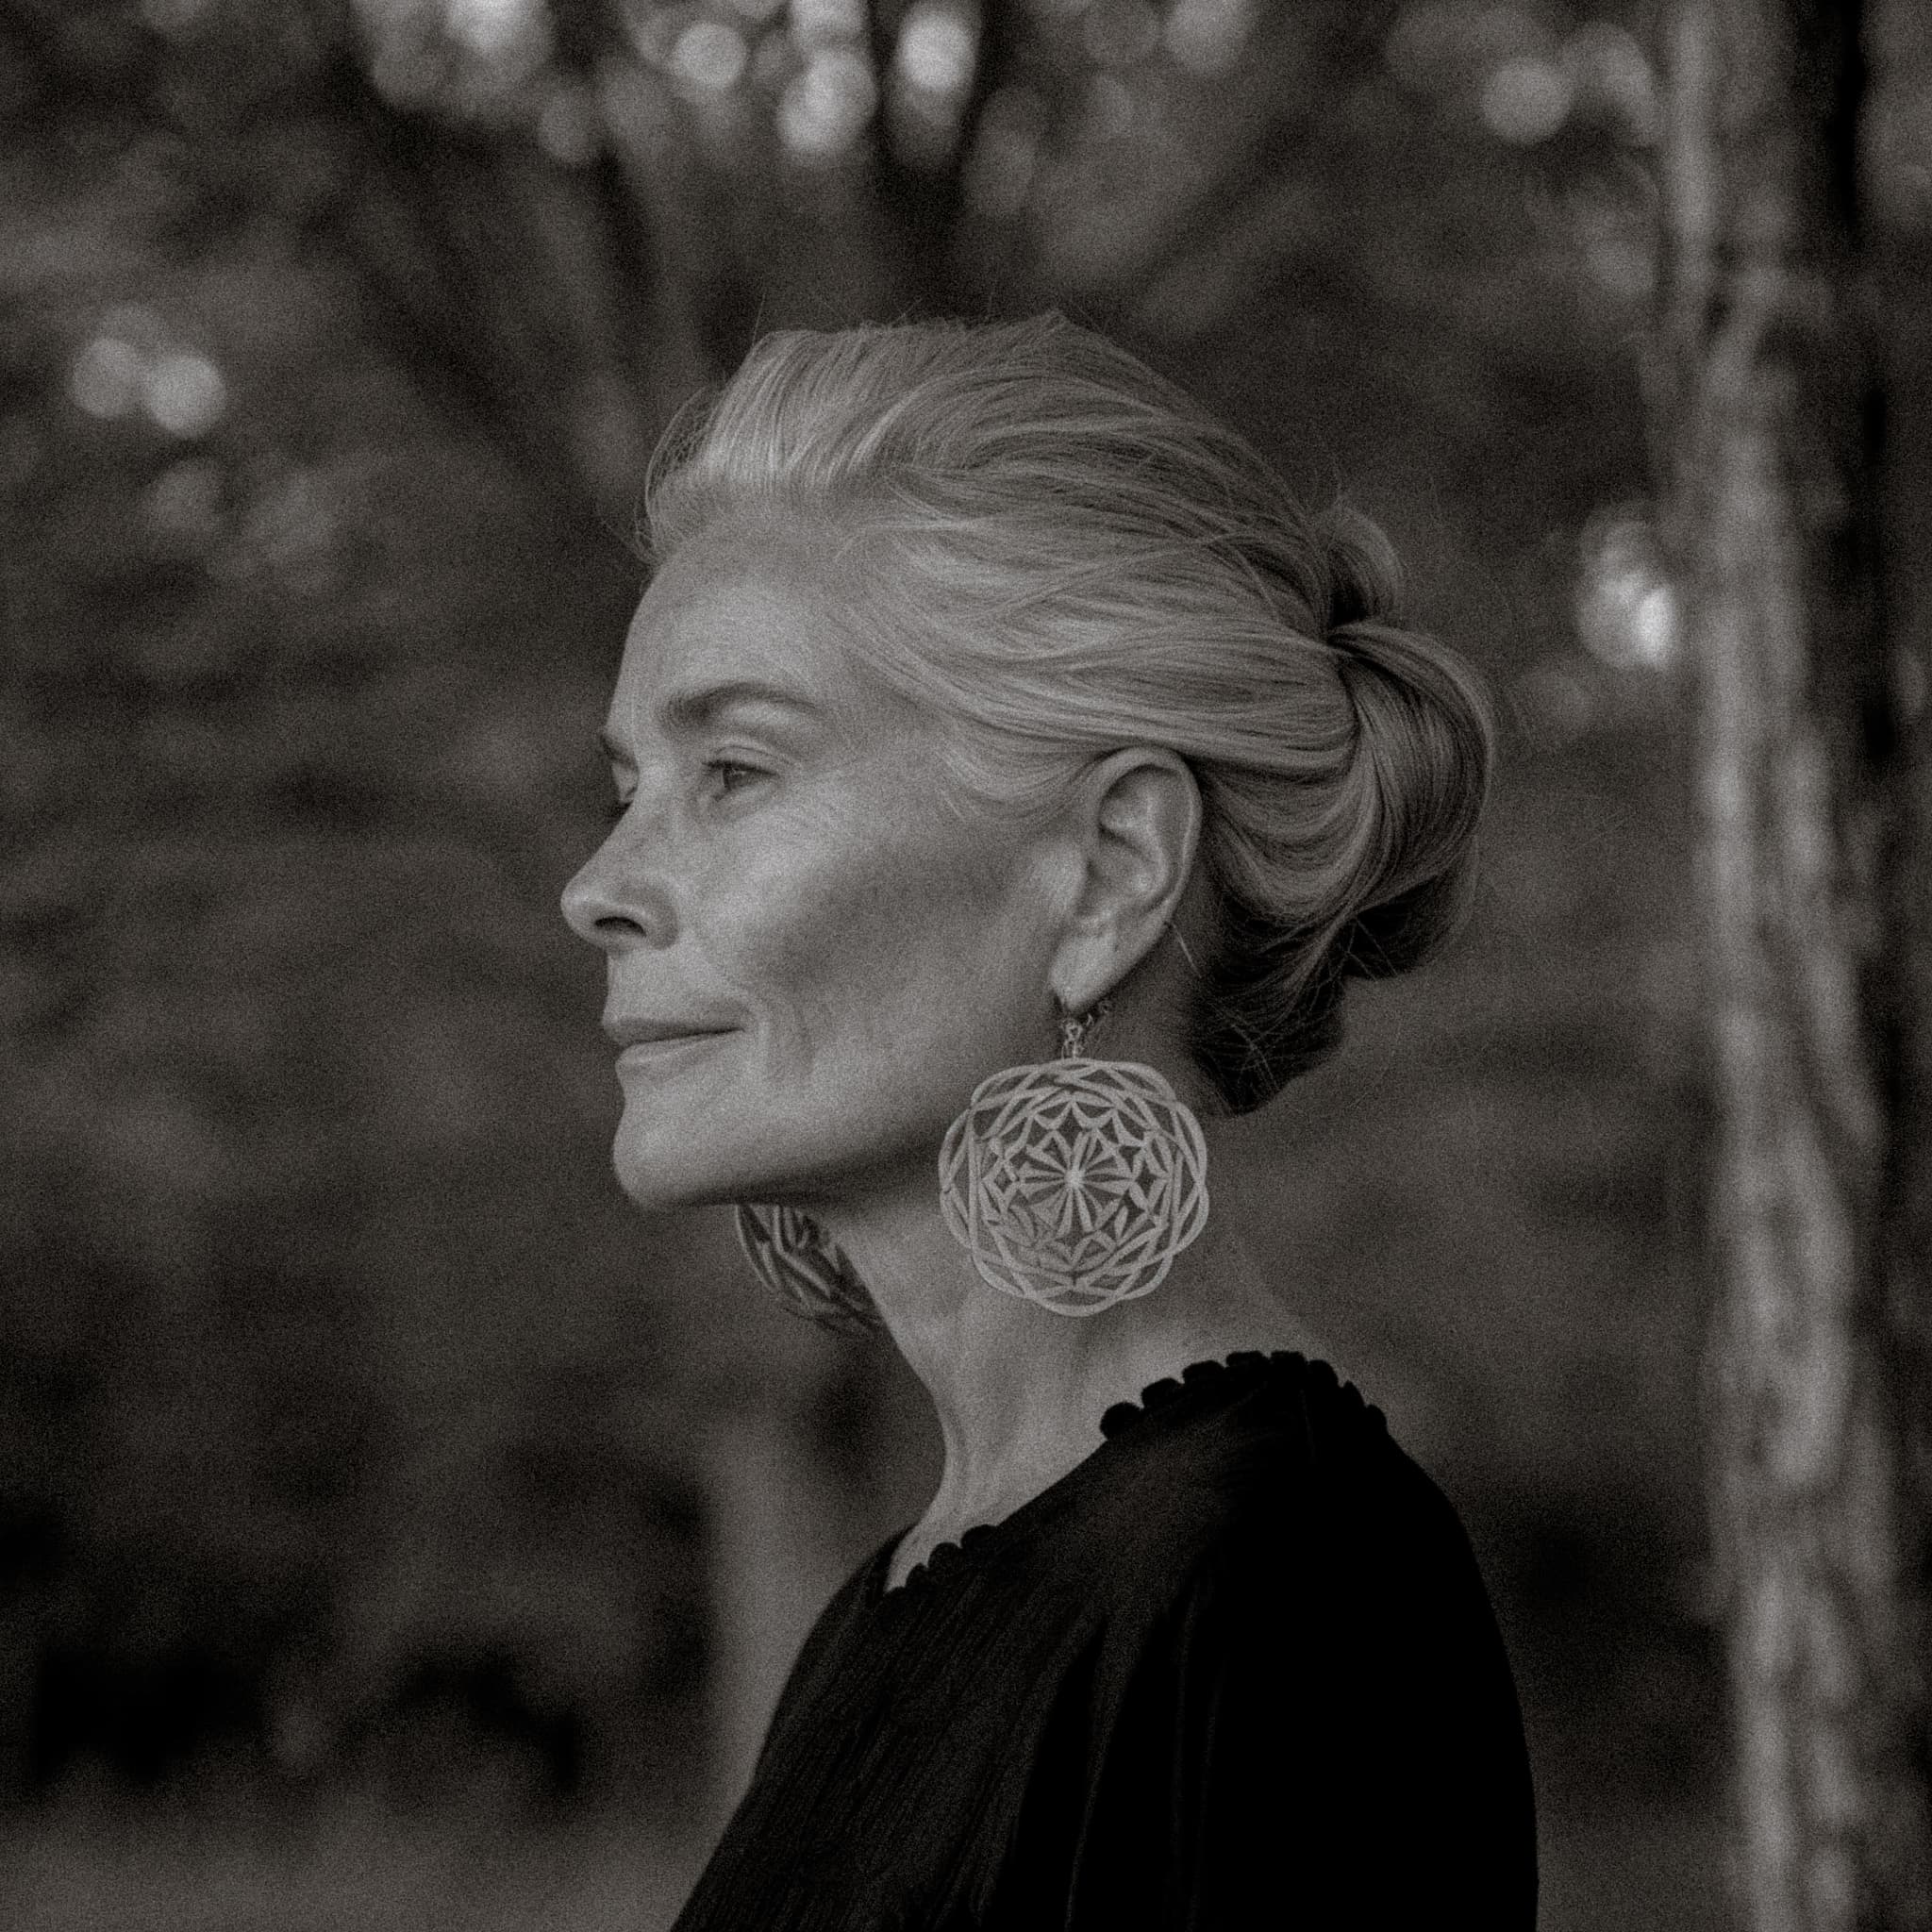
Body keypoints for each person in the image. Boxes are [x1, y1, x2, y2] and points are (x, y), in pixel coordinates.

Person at [560, 313, 1537, 1927]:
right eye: (624, 789)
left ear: (1108, 871)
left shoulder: (1284, 1591)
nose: (599, 888)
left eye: (732, 771)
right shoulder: (886, 1616)